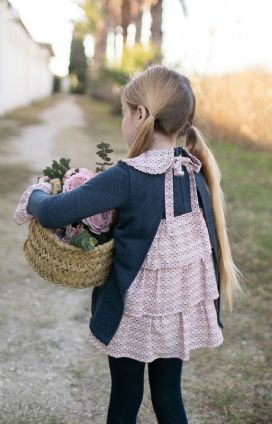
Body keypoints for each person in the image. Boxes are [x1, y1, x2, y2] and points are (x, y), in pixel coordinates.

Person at [13, 64, 244, 423]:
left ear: (140, 114)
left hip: (132, 312)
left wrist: (38, 195)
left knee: (125, 399)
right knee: (169, 397)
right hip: (176, 310)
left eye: (124, 111)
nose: (124, 120)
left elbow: (54, 213)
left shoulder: (129, 176)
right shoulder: (192, 168)